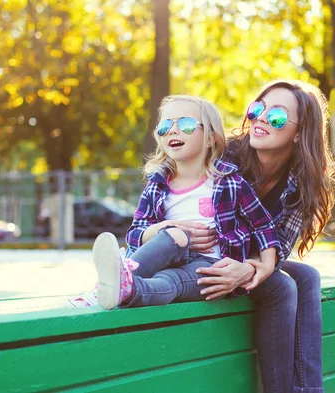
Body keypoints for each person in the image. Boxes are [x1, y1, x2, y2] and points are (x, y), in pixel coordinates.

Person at [184, 80, 335, 393]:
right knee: (281, 284)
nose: (261, 119)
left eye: (277, 116)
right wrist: (251, 268)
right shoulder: (223, 155)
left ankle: (309, 389)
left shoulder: (305, 180)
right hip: (202, 254)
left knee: (307, 276)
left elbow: (279, 247)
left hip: (245, 260)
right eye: (257, 109)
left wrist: (250, 269)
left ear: (299, 133)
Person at [72, 95, 282, 310]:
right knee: (174, 234)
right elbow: (135, 233)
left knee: (171, 280)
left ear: (210, 138)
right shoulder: (157, 185)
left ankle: (128, 289)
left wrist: (266, 265)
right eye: (165, 126)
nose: (173, 130)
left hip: (209, 268)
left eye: (186, 124)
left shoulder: (230, 183)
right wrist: (163, 229)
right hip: (165, 260)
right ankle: (111, 284)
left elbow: (263, 225)